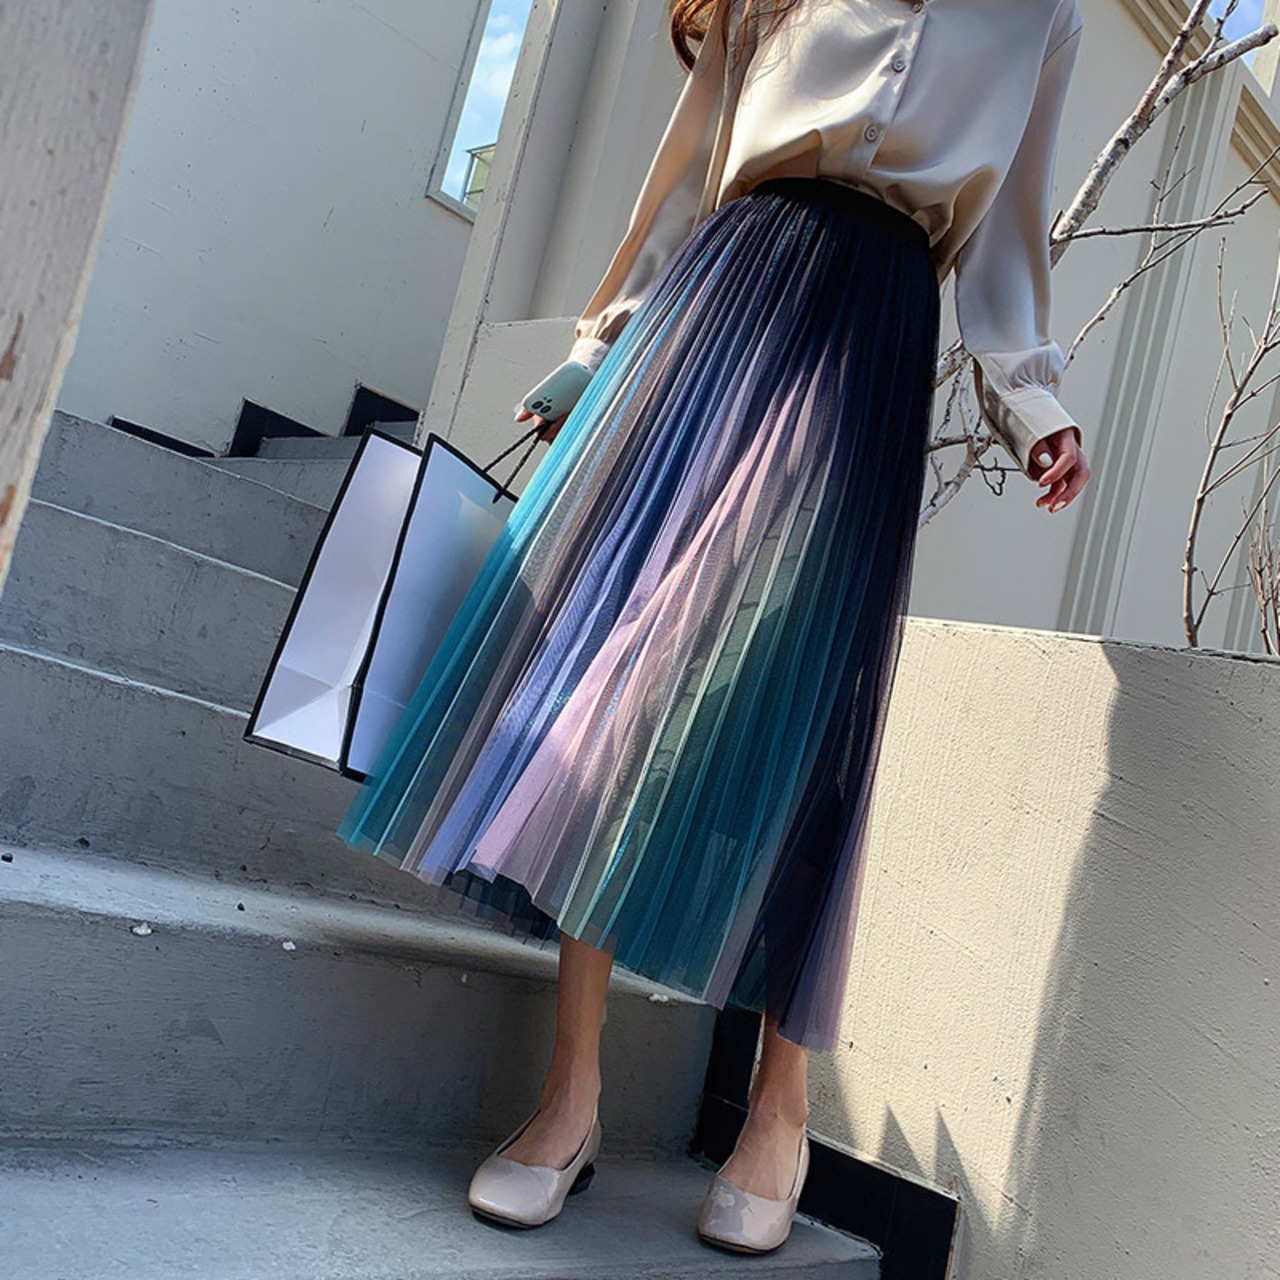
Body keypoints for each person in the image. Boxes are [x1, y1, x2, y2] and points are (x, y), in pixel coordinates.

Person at [337, 0, 1091, 1255]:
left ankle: (777, 1109)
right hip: (720, 301)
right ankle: (571, 1091)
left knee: (807, 708)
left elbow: (1008, 228)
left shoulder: (1040, 15)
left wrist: (1029, 398)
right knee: (614, 669)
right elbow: (690, 163)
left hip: (871, 331)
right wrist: (597, 350)